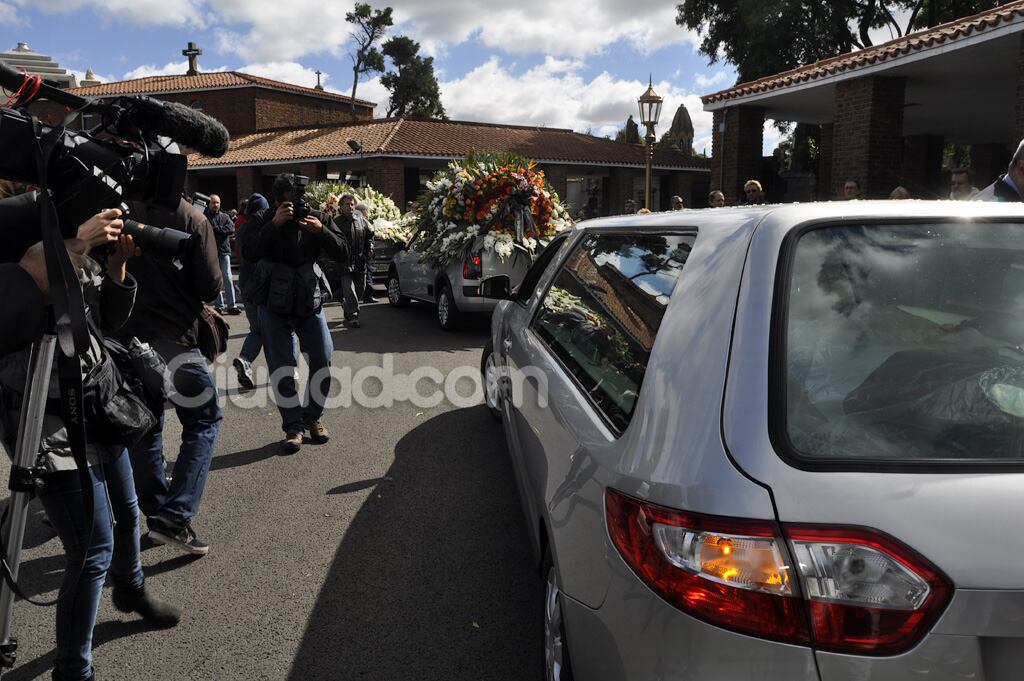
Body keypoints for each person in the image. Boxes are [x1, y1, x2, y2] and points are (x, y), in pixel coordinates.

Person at [0, 209, 180, 681]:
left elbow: (104, 324)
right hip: (47, 424)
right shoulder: (14, 274)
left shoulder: (73, 256)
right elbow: (26, 354)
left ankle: (132, 589)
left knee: (128, 505)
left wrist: (115, 269)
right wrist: (69, 247)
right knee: (93, 547)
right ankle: (73, 669)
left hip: (98, 406)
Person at [119, 197, 224, 556]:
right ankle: (173, 518)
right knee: (204, 419)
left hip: (124, 339)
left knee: (145, 425)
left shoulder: (113, 207)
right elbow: (211, 285)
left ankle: (158, 514)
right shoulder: (191, 217)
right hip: (175, 337)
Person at [242, 173, 348, 453]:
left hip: (308, 298)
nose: (296, 207)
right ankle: (293, 426)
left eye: (300, 200)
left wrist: (321, 231)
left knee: (323, 357)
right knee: (282, 366)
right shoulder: (263, 218)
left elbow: (343, 252)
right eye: (288, 203)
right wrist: (274, 225)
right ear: (277, 201)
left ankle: (313, 417)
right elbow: (249, 252)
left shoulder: (316, 217)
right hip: (273, 302)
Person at [232, 193, 270, 391]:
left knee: (258, 330)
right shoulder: (263, 231)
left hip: (246, 287)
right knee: (275, 330)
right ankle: (285, 370)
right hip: (262, 289)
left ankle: (245, 359)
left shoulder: (242, 229)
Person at [335, 194, 372, 327]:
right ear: (340, 207)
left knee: (359, 290)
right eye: (347, 204)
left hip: (360, 261)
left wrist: (370, 248)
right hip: (344, 263)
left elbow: (369, 236)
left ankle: (347, 307)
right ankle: (354, 315)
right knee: (349, 290)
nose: (350, 206)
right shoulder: (336, 222)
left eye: (352, 204)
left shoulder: (361, 220)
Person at [207, 194, 240, 315]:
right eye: (213, 202)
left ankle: (232, 305)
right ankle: (219, 305)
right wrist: (221, 230)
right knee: (216, 279)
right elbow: (206, 231)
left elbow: (231, 229)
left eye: (217, 203)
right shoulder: (205, 217)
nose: (216, 205)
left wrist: (215, 229)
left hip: (224, 251)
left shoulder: (225, 217)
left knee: (228, 277)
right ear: (209, 203)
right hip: (211, 251)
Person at [354, 201, 377, 303]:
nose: (368, 212)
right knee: (367, 274)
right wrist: (370, 248)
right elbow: (369, 236)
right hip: (363, 252)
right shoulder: (362, 221)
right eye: (366, 210)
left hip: (361, 251)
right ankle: (367, 295)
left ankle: (365, 295)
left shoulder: (357, 220)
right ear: (363, 211)